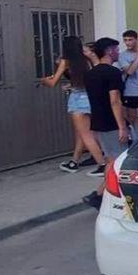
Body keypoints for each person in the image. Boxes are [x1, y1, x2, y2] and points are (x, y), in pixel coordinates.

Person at [40, 36, 106, 175]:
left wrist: (44, 80)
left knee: (86, 135)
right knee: (81, 133)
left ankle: (102, 165)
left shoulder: (66, 61)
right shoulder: (87, 59)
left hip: (77, 100)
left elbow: (53, 82)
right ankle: (74, 162)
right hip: (91, 98)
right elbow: (91, 78)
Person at [82, 37, 129, 209]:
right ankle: (99, 194)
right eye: (116, 49)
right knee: (118, 161)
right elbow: (115, 100)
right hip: (111, 123)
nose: (118, 52)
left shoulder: (90, 74)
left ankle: (101, 195)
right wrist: (122, 126)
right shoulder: (113, 73)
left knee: (111, 159)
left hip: (98, 122)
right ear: (109, 51)